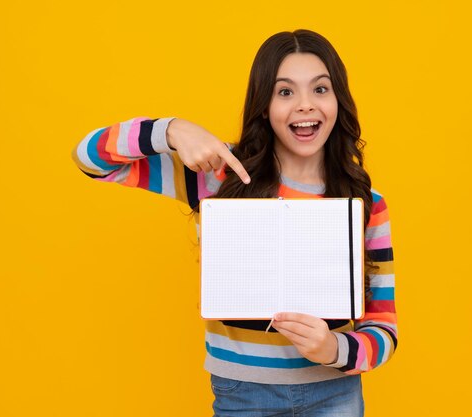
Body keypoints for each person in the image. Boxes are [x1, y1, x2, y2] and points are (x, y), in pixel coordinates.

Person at [72, 29, 397, 416]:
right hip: (243, 394)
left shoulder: (366, 202)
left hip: (336, 393)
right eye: (285, 92)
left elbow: (384, 328)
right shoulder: (219, 174)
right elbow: (90, 157)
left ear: (339, 101)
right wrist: (172, 130)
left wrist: (334, 349)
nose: (306, 105)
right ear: (263, 105)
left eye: (321, 89)